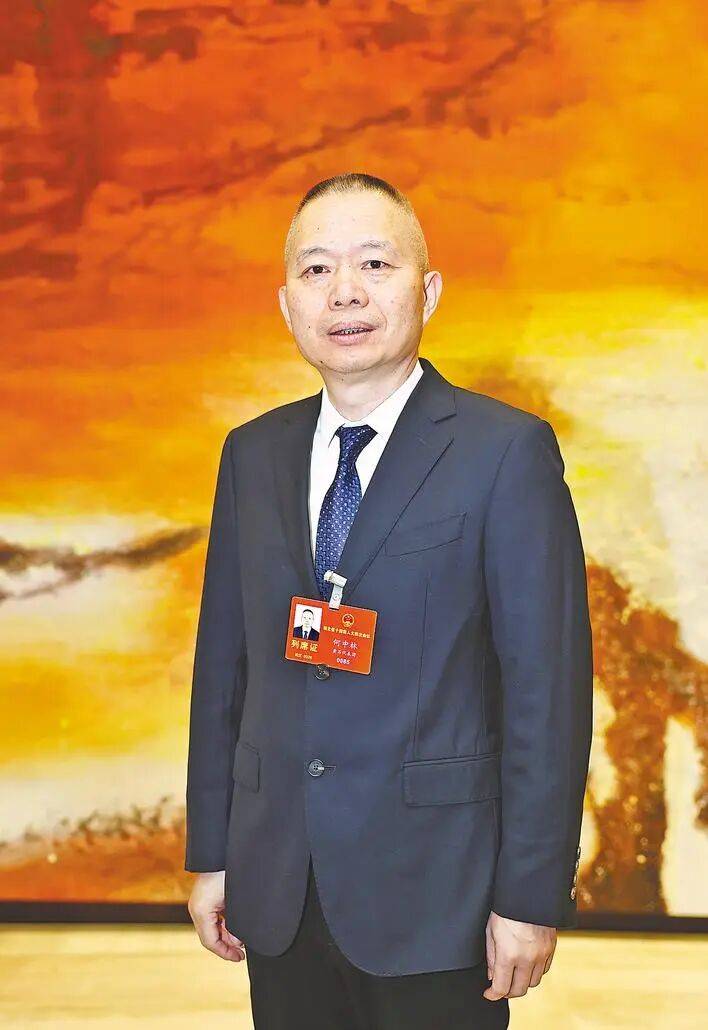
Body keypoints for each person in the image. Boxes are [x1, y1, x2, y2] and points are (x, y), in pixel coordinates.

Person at [185, 172, 593, 1029]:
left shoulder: (504, 452)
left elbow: (546, 692)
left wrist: (529, 895)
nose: (345, 292)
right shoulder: (252, 455)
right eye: (317, 269)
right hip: (280, 885)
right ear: (287, 304)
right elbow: (224, 670)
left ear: (428, 291)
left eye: (375, 263)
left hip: (439, 895)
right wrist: (214, 852)